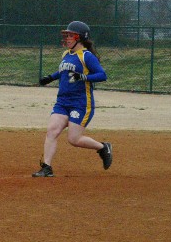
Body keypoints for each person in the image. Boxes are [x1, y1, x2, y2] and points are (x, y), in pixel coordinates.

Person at [33, 21, 113, 177]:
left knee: (74, 139)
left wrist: (83, 77)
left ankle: (103, 147)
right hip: (62, 102)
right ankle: (47, 168)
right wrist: (50, 77)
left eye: (71, 35)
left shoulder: (86, 56)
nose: (67, 38)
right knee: (52, 131)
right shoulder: (66, 54)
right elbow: (63, 71)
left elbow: (102, 75)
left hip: (80, 103)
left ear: (80, 38)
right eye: (67, 35)